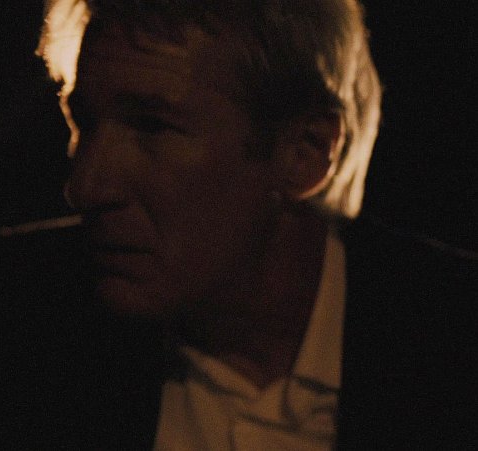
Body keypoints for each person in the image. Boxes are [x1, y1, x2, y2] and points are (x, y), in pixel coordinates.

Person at [27, 0, 478, 449]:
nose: (86, 186)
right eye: (83, 122)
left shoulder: (451, 341)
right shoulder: (15, 325)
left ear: (305, 151)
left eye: (153, 127)